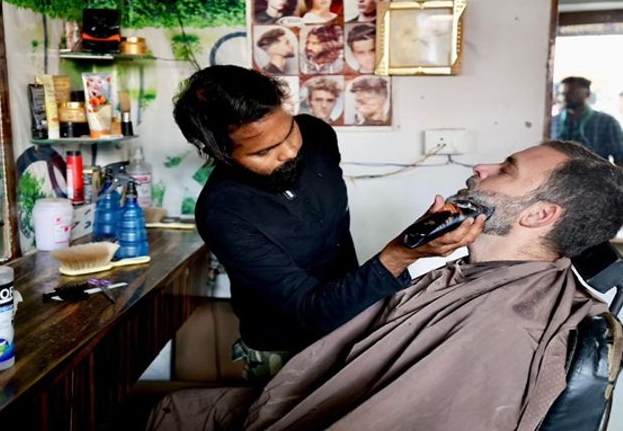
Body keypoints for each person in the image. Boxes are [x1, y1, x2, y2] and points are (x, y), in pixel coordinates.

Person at [150, 141, 623, 431]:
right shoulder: (480, 280)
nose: (481, 167)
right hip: (310, 395)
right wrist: (404, 253)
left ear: (539, 215)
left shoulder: (504, 325)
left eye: (506, 169)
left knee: (170, 412)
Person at [172, 65, 485, 384]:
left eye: (288, 131)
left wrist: (413, 243)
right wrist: (402, 253)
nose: (290, 152)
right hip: (285, 350)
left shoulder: (316, 136)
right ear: (221, 154)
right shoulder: (224, 213)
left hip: (355, 317)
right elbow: (309, 311)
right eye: (265, 151)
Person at [551, 76, 623, 169]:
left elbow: (621, 159)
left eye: (572, 93)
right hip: (560, 179)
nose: (566, 97)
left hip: (595, 179)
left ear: (587, 94)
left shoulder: (606, 122)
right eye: (563, 93)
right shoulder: (554, 121)